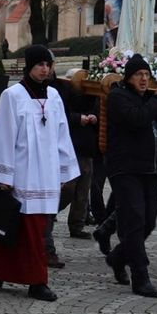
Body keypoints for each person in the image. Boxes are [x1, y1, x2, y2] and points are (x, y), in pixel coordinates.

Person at [0, 45, 79, 302]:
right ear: (29, 66)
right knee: (23, 227)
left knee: (35, 228)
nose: (44, 69)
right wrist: (3, 176)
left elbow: (61, 133)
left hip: (46, 174)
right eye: (39, 65)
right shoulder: (12, 96)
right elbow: (3, 135)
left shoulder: (55, 96)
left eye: (48, 65)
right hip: (23, 173)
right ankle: (37, 282)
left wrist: (65, 169)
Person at [104, 54, 157, 298]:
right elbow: (138, 119)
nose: (144, 79)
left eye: (146, 75)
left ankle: (118, 257)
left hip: (149, 170)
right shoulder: (118, 97)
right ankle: (140, 277)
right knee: (133, 221)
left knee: (149, 222)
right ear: (128, 77)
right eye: (138, 75)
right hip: (125, 168)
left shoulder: (148, 98)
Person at [52, 69, 99, 243]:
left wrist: (94, 118)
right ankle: (49, 214)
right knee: (68, 189)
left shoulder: (92, 96)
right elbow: (62, 117)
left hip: (87, 148)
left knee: (83, 191)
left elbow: (99, 115)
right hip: (71, 147)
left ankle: (77, 225)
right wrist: (80, 118)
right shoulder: (63, 94)